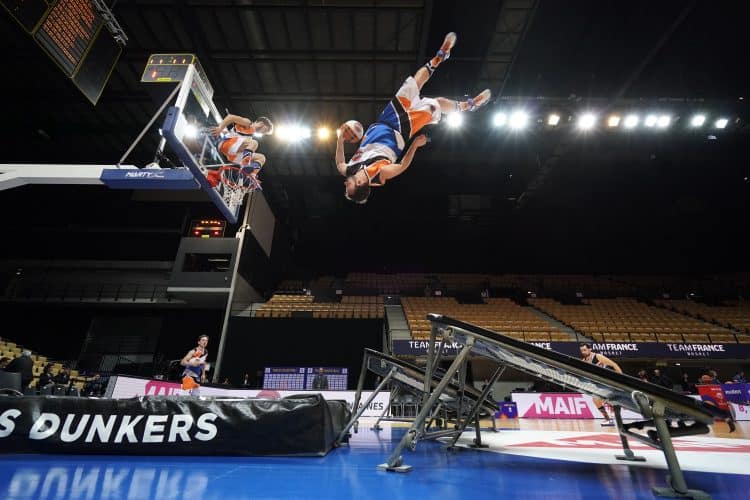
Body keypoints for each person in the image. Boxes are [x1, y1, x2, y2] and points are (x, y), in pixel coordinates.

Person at [336, 32, 491, 204]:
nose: (345, 183)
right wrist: (415, 146)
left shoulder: (349, 170)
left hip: (385, 119)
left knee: (414, 85)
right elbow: (402, 166)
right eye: (347, 187)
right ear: (360, 183)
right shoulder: (381, 174)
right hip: (402, 129)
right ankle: (469, 106)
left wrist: (340, 139)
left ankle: (439, 57)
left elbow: (339, 163)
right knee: (437, 103)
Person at [579, 343, 622, 427]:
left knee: (604, 398)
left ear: (590, 349)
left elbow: (614, 364)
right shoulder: (584, 361)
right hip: (599, 384)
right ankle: (608, 419)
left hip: (608, 380)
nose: (583, 352)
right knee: (595, 400)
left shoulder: (598, 356)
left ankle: (612, 414)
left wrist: (621, 377)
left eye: (584, 350)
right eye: (581, 350)